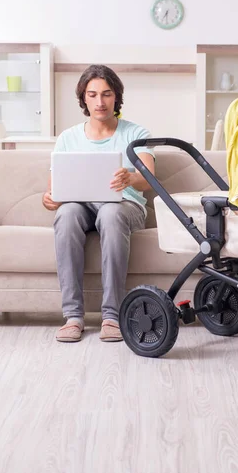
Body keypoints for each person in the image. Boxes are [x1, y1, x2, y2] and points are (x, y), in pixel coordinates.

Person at [42, 64, 155, 343]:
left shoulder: (135, 132)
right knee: (67, 213)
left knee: (110, 211)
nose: (100, 101)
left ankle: (112, 316)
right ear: (83, 99)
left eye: (106, 94)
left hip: (123, 208)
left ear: (116, 97)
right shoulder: (68, 138)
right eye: (92, 95)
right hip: (80, 206)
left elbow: (150, 179)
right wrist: (49, 200)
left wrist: (130, 178)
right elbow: (53, 194)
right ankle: (73, 317)